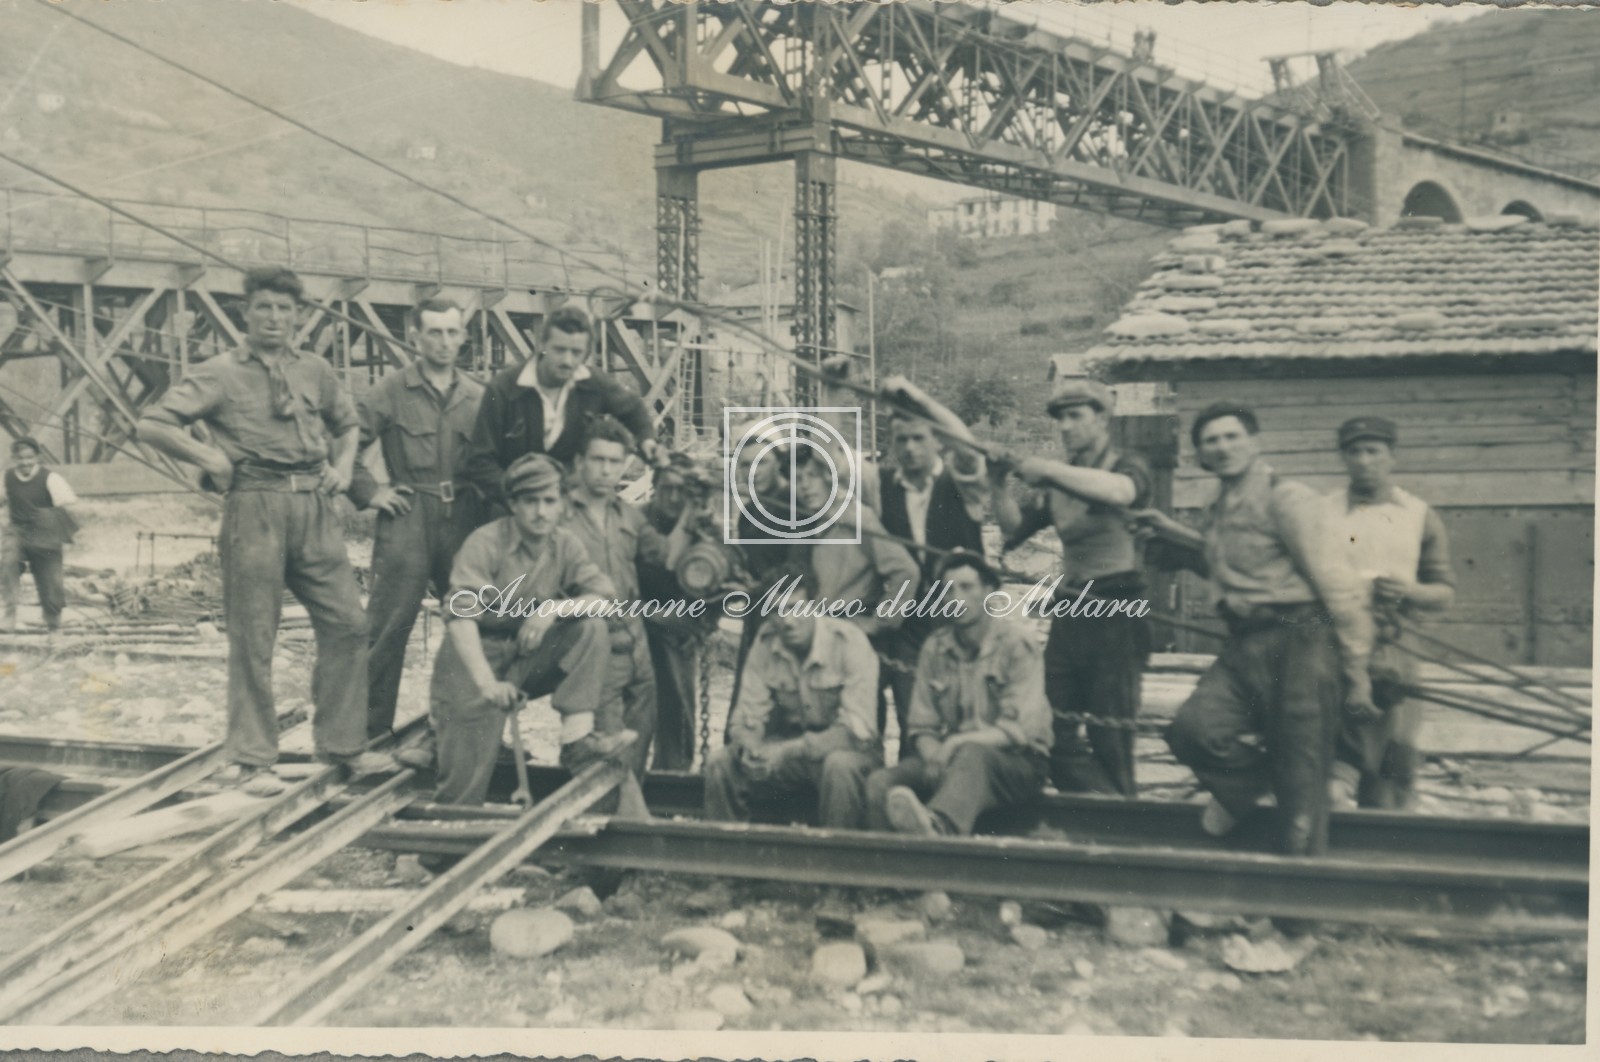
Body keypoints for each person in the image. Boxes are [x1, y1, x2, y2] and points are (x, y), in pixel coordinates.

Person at [138, 267, 395, 796]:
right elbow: (153, 424)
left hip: (315, 507)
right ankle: (252, 760)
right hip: (254, 506)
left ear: (297, 316)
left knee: (349, 624)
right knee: (254, 634)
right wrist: (209, 456)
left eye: (284, 309)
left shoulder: (315, 370)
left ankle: (343, 745)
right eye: (264, 307)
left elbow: (347, 424)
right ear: (246, 313)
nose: (274, 318)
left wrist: (343, 469)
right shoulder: (219, 372)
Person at [1134, 403, 1375, 856]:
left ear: (1255, 443)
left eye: (1232, 437)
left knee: (1301, 781)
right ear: (1201, 455)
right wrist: (1171, 531)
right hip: (1244, 644)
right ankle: (1253, 787)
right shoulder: (1217, 506)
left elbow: (1339, 586)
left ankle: (1300, 889)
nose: (1223, 448)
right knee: (1194, 730)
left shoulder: (1289, 499)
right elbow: (1229, 563)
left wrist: (1357, 671)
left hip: (1300, 643)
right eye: (1211, 441)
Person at [431, 453, 634, 810]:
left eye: (550, 501)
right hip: (473, 660)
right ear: (513, 504)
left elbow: (606, 598)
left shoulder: (564, 544)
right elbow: (460, 617)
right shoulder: (485, 543)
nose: (541, 512)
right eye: (530, 501)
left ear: (562, 504)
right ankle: (441, 842)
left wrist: (552, 610)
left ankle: (577, 740)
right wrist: (487, 684)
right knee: (461, 793)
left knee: (590, 627)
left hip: (526, 654)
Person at [990, 378, 1152, 798]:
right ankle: (1102, 804)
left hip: (1119, 608)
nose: (1065, 426)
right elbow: (1013, 528)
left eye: (1075, 416)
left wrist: (1046, 470)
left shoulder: (1127, 465)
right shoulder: (1059, 486)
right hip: (1071, 608)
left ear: (1102, 420)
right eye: (1060, 418)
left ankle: (1118, 815)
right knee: (1047, 726)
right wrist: (996, 484)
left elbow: (1122, 493)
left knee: (1111, 736)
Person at [347, 297, 485, 758]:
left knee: (473, 622)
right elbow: (344, 442)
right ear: (415, 337)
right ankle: (366, 736)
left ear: (463, 337)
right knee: (388, 625)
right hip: (409, 515)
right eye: (434, 332)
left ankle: (465, 730)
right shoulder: (390, 391)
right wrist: (371, 492)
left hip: (464, 519)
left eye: (452, 332)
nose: (444, 342)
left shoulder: (478, 397)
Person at [865, 551, 1053, 837]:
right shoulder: (935, 648)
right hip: (952, 759)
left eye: (967, 587)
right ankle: (889, 860)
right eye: (948, 590)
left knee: (973, 756)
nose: (956, 598)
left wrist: (954, 744)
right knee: (881, 782)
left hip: (1017, 763)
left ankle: (939, 830)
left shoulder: (1016, 646)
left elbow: (1017, 732)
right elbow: (921, 726)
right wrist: (934, 756)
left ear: (988, 591)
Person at [1324, 416, 1455, 811]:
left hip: (1397, 646)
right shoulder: (1323, 512)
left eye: (1373, 451)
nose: (1364, 460)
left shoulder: (1418, 515)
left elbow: (1444, 593)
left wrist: (1410, 590)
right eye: (1354, 452)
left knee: (1393, 763)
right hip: (1333, 646)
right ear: (1343, 458)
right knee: (1330, 759)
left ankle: (1390, 834)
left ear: (1392, 456)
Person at [561, 416, 694, 776]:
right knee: (598, 759)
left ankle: (627, 803)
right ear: (580, 462)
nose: (606, 470)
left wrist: (691, 512)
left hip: (636, 651)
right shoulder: (560, 517)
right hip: (594, 650)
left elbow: (666, 556)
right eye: (598, 460)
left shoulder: (629, 516)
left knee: (631, 757)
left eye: (614, 461)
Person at [874, 377, 989, 755]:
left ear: (937, 440)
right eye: (901, 440)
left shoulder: (962, 484)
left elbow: (968, 445)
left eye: (919, 438)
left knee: (965, 720)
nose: (910, 448)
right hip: (909, 626)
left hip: (962, 622)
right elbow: (837, 468)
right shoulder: (883, 486)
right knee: (915, 724)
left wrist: (920, 398)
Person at [703, 586, 880, 829]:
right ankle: (726, 849)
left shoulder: (848, 641)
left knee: (839, 766)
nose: (787, 621)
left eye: (795, 608)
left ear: (815, 606)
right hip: (791, 754)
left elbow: (857, 732)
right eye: (777, 610)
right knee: (720, 763)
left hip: (847, 753)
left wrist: (786, 751)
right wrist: (750, 745)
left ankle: (835, 852)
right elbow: (748, 713)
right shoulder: (766, 642)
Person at [460, 306, 660, 510]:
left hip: (571, 506)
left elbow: (634, 409)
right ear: (542, 345)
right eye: (559, 350)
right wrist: (517, 497)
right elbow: (479, 461)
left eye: (576, 352)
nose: (567, 361)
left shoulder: (593, 383)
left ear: (586, 352)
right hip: (516, 507)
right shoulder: (504, 388)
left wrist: (647, 439)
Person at [637, 453, 719, 770]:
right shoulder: (637, 522)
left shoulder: (705, 528)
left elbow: (719, 588)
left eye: (682, 491)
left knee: (676, 701)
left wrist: (700, 626)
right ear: (654, 488)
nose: (673, 498)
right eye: (667, 489)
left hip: (677, 630)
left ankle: (672, 771)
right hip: (636, 622)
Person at [1, 438, 78, 633]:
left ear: (37, 457)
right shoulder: (6, 477)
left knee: (51, 578)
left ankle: (53, 624)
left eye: (29, 457)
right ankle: (10, 613)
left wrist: (58, 528)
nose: (25, 462)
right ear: (14, 458)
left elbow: (68, 505)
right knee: (8, 562)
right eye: (21, 458)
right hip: (18, 530)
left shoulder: (50, 478)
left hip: (44, 531)